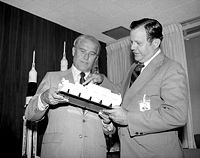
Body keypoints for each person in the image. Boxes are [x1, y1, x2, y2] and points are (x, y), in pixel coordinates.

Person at [100, 18, 188, 158]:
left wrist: (128, 118)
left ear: (155, 43)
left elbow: (177, 115)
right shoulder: (134, 68)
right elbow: (121, 93)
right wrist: (101, 80)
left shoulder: (171, 68)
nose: (132, 47)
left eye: (138, 43)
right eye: (132, 42)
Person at [25, 34, 118, 158]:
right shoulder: (52, 78)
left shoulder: (105, 86)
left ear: (96, 58)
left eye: (92, 54)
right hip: (58, 152)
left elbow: (112, 130)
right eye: (82, 51)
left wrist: (108, 124)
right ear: (74, 51)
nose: (86, 57)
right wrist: (44, 98)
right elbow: (30, 115)